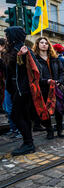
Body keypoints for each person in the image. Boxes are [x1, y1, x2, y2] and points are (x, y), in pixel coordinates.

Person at [2, 27, 41, 155]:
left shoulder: (23, 49)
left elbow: (37, 67)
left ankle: (28, 143)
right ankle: (28, 142)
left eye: (7, 36)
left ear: (13, 36)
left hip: (22, 90)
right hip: (15, 89)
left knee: (16, 115)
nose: (6, 38)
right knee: (23, 116)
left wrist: (23, 59)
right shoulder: (12, 50)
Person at [32, 36, 64, 139]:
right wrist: (46, 81)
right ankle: (49, 131)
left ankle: (60, 130)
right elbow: (34, 76)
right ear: (37, 45)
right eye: (41, 43)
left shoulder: (54, 58)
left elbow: (62, 72)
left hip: (56, 88)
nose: (44, 45)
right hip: (43, 89)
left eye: (46, 43)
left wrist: (59, 81)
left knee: (58, 110)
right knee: (45, 112)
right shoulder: (35, 60)